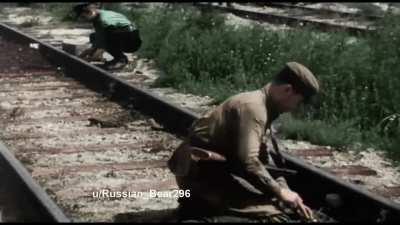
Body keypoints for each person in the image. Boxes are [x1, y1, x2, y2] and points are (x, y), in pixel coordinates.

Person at [168, 62, 320, 222]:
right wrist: (280, 192)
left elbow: (263, 158)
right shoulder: (254, 109)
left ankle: (199, 206)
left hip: (210, 171)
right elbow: (249, 161)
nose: (294, 108)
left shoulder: (262, 106)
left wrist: (285, 190)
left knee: (278, 205)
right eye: (298, 102)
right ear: (287, 90)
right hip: (200, 176)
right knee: (276, 218)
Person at [73, 3, 142, 70]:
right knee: (94, 36)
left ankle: (121, 60)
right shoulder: (98, 15)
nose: (84, 20)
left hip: (131, 41)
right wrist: (83, 55)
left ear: (90, 13)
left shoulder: (104, 21)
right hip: (125, 36)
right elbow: (98, 40)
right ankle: (117, 58)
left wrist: (89, 58)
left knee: (106, 37)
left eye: (83, 17)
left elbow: (102, 44)